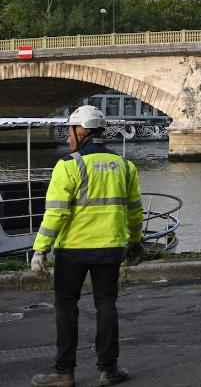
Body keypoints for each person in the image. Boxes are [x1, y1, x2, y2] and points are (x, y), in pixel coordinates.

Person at [30, 106, 144, 387]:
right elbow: (134, 212)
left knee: (66, 308)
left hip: (74, 250)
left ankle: (63, 372)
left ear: (80, 131)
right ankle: (109, 369)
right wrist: (135, 242)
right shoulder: (126, 166)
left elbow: (55, 213)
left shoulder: (69, 166)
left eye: (69, 131)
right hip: (110, 249)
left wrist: (40, 251)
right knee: (106, 306)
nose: (67, 137)